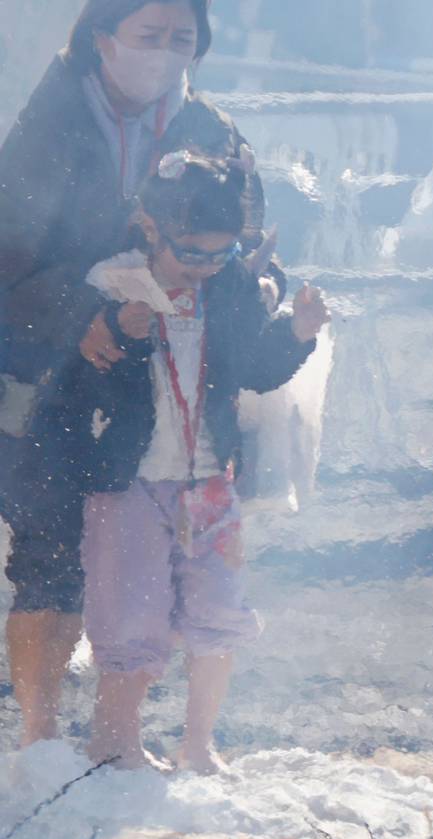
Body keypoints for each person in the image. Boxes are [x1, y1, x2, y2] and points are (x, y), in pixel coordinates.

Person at [0, 0, 279, 749]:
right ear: (102, 38)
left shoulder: (211, 130)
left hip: (166, 396)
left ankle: (122, 734)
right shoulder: (49, 124)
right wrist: (79, 315)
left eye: (181, 39)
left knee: (155, 564)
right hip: (52, 372)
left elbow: (248, 239)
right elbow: (9, 250)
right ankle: (39, 734)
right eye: (147, 36)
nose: (163, 53)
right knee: (48, 549)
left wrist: (264, 293)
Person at [43, 151, 323, 773]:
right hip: (129, 480)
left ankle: (200, 743)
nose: (202, 267)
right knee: (129, 612)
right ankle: (115, 740)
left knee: (219, 607)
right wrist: (115, 333)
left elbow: (252, 369)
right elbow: (72, 384)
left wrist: (297, 333)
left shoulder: (230, 289)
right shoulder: (110, 285)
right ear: (149, 227)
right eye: (190, 252)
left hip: (210, 479)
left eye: (218, 254)